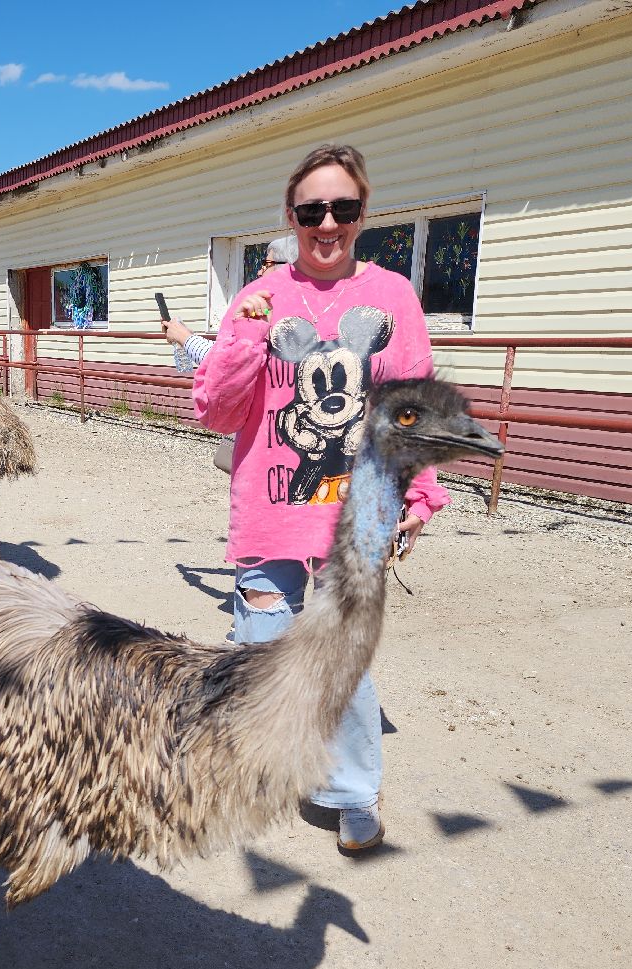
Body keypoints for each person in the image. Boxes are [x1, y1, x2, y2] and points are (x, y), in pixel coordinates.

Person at [191, 144, 450, 854]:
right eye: (312, 209)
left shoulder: (392, 295)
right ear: (291, 215)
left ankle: (353, 790)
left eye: (343, 208)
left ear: (364, 213)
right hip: (272, 508)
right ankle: (265, 772)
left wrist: (421, 496)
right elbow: (213, 409)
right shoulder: (259, 296)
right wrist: (246, 335)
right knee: (263, 650)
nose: (327, 222)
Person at [161, 234, 298, 375]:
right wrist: (186, 334)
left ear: (285, 267)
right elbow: (228, 350)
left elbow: (225, 364)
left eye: (265, 265)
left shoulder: (277, 314)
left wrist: (184, 338)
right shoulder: (274, 310)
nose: (258, 272)